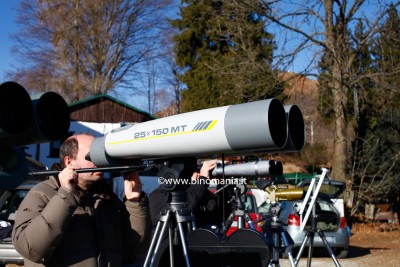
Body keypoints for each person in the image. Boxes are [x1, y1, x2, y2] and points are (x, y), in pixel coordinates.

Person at [12, 133, 151, 267]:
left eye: (101, 155)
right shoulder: (42, 194)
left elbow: (134, 251)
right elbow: (32, 249)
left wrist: (134, 202)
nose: (100, 162)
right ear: (69, 162)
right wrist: (65, 196)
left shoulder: (106, 198)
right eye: (92, 156)